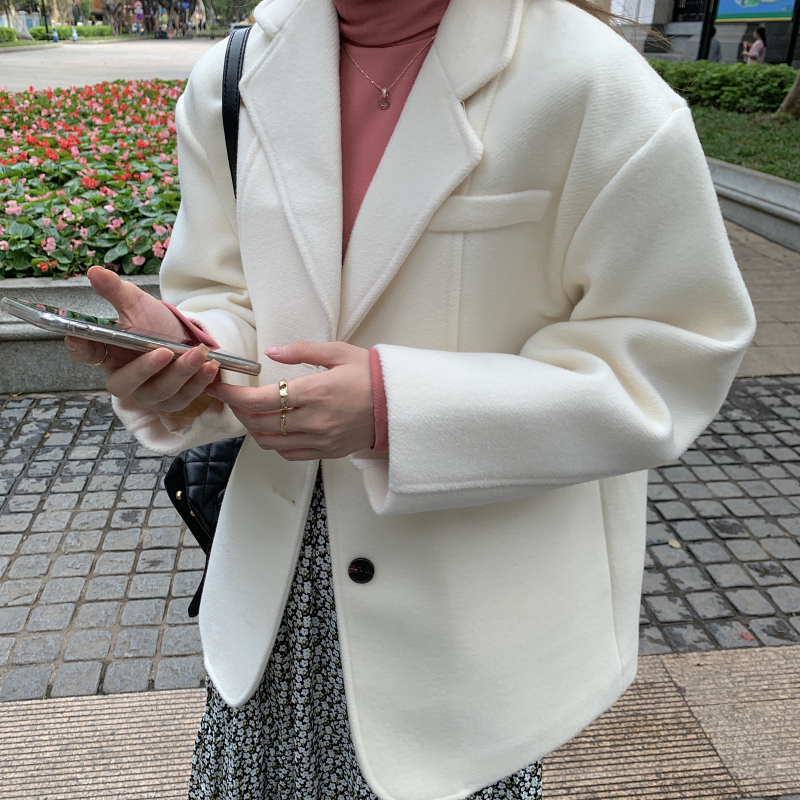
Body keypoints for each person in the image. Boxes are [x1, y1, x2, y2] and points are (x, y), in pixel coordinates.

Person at [64, 0, 755, 797]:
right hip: (273, 592)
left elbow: (673, 354)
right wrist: (190, 347)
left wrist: (399, 409)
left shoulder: (594, 87)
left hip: (469, 616)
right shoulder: (235, 75)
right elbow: (227, 289)